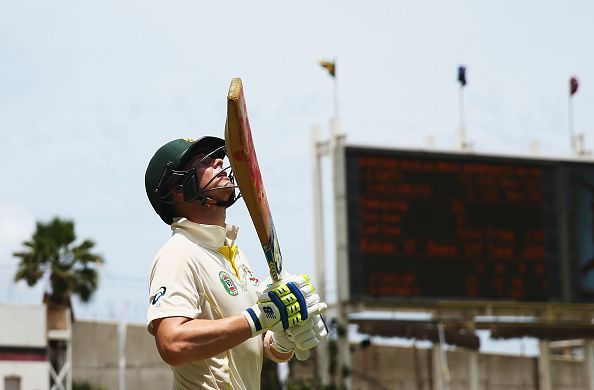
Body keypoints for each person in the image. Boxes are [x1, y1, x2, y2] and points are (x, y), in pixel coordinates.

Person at [144, 136, 328, 389]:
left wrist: (283, 337)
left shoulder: (234, 255)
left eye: (217, 156)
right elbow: (172, 343)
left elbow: (254, 344)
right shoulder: (178, 253)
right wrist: (260, 317)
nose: (220, 161)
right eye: (204, 162)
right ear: (177, 190)